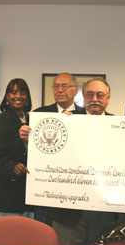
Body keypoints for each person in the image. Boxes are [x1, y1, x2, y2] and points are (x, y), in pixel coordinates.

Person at [50, 77, 116, 245]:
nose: (95, 99)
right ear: (83, 97)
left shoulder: (121, 126)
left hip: (106, 211)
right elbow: (51, 156)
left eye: (100, 95)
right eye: (90, 94)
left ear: (108, 98)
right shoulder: (66, 122)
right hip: (69, 213)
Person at [19, 72, 84, 224]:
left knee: (69, 239)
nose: (59, 90)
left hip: (74, 189)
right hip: (45, 189)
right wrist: (25, 140)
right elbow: (31, 150)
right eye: (56, 86)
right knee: (43, 235)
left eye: (65, 86)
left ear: (75, 90)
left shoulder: (85, 114)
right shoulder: (39, 114)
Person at [0, 78, 34, 219]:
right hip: (7, 193)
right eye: (13, 92)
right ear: (7, 97)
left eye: (22, 92)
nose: (18, 96)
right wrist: (12, 166)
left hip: (29, 194)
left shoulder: (32, 120)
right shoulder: (1, 120)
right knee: (4, 238)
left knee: (27, 238)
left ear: (27, 97)